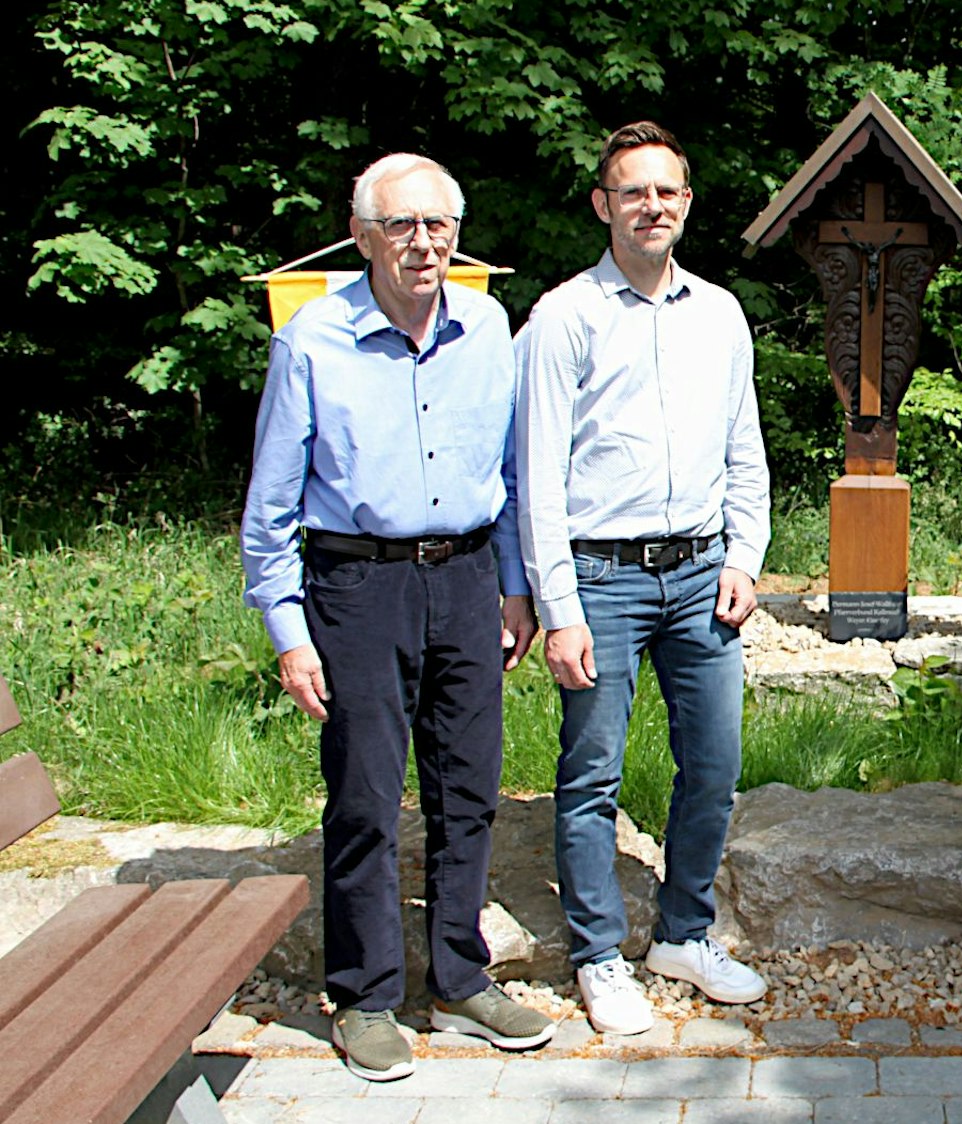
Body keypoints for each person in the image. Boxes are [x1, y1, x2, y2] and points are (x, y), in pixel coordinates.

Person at [241, 153, 554, 1081]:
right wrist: (290, 633)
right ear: (363, 237)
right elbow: (270, 506)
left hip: (463, 580)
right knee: (368, 797)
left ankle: (460, 980)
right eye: (399, 226)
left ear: (456, 235)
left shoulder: (490, 325)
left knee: (469, 788)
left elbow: (506, 475)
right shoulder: (312, 340)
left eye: (437, 226)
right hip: (357, 587)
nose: (422, 244)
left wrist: (513, 588)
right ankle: (365, 995)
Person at [515, 121, 771, 1036]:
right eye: (632, 192)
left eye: (666, 192)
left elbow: (745, 447)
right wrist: (559, 607)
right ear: (603, 205)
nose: (650, 207)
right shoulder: (562, 319)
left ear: (686, 203)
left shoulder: (719, 313)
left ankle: (684, 933)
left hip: (702, 572)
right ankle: (597, 956)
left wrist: (745, 555)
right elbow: (536, 474)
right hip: (602, 579)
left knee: (714, 765)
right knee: (592, 774)